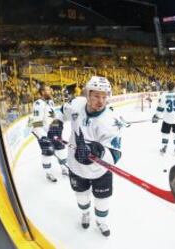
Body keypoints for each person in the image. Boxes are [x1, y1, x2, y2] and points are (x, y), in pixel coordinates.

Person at [55, 76, 122, 237]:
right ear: (87, 94)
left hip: (100, 170)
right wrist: (55, 124)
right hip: (76, 167)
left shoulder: (111, 121)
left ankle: (101, 222)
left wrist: (96, 151)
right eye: (96, 96)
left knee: (102, 199)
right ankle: (85, 213)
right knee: (81, 197)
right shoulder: (76, 104)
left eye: (104, 96)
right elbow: (59, 111)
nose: (101, 101)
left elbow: (115, 153)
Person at [31, 84, 68, 183]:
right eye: (47, 90)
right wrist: (42, 136)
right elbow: (36, 121)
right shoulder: (38, 104)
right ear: (42, 92)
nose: (50, 91)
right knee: (48, 152)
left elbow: (52, 116)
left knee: (60, 148)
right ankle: (48, 173)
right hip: (44, 133)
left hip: (53, 130)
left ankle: (64, 168)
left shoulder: (50, 102)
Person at [152, 82, 175, 154]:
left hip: (167, 118)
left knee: (165, 133)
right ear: (174, 88)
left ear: (167, 88)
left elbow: (160, 108)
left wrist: (156, 116)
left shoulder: (164, 95)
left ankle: (164, 146)